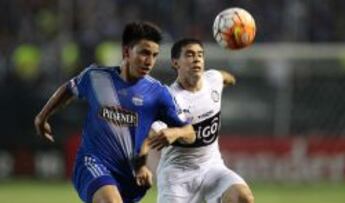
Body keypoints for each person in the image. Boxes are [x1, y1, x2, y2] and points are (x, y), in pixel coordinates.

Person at [34, 22, 195, 203]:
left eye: (154, 55)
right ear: (126, 52)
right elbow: (69, 89)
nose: (149, 61)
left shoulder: (158, 93)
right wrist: (42, 116)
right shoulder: (96, 77)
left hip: (130, 177)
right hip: (92, 163)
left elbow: (190, 133)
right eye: (144, 53)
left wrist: (175, 132)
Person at [145, 38, 255, 203]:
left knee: (243, 197)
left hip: (212, 168)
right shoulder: (167, 98)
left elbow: (225, 77)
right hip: (177, 178)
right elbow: (155, 131)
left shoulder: (213, 79)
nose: (196, 59)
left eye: (200, 55)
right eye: (189, 55)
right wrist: (163, 132)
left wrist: (231, 80)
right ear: (175, 63)